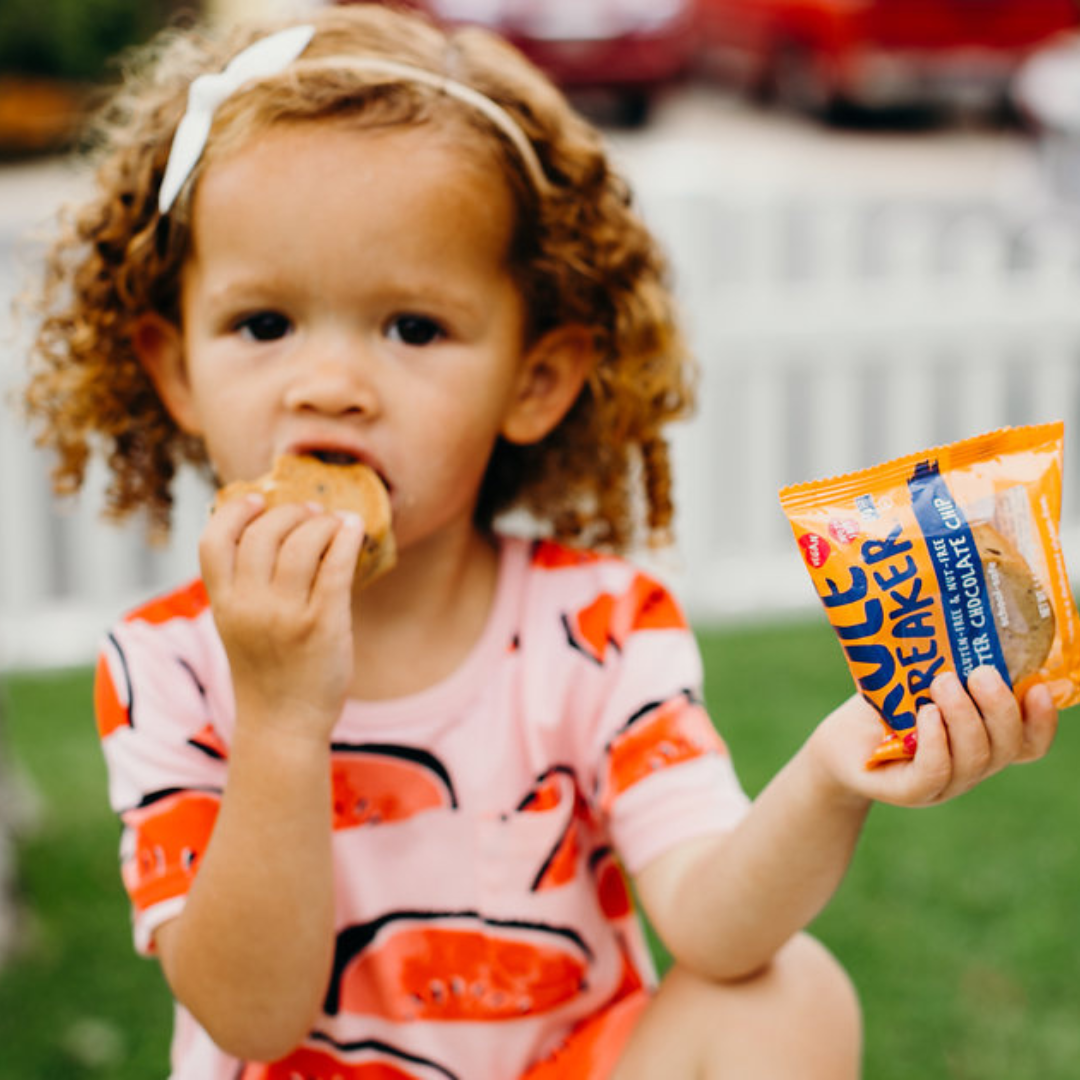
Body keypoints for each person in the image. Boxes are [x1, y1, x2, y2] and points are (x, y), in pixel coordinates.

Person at [22, 4, 1058, 1078]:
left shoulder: (598, 633)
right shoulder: (171, 667)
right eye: (265, 324)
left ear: (536, 380)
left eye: (413, 328)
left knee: (790, 995)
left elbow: (711, 924)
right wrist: (281, 716)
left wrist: (832, 777)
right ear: (176, 366)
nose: (328, 384)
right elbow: (252, 1020)